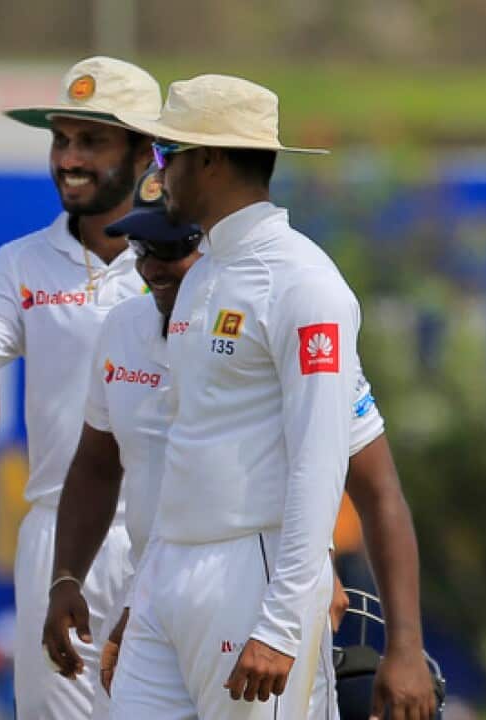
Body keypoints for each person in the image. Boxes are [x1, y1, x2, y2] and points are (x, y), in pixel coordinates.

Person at [42, 169, 437, 719]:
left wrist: (399, 642)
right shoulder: (156, 316)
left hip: (256, 586)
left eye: (170, 247)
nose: (152, 266)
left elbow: (367, 485)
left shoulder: (290, 292)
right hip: (166, 581)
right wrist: (143, 599)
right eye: (140, 247)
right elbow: (125, 472)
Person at [88, 74, 360, 719]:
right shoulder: (205, 271)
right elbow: (187, 443)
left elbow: (321, 461)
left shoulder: (303, 283)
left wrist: (284, 623)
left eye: (166, 153)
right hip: (169, 570)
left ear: (208, 159)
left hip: (252, 574)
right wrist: (143, 593)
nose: (158, 172)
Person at [0, 56, 160, 718]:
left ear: (144, 152)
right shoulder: (18, 264)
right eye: (61, 140)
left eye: (92, 141)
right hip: (58, 536)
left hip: (169, 533)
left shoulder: (189, 260)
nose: (69, 159)